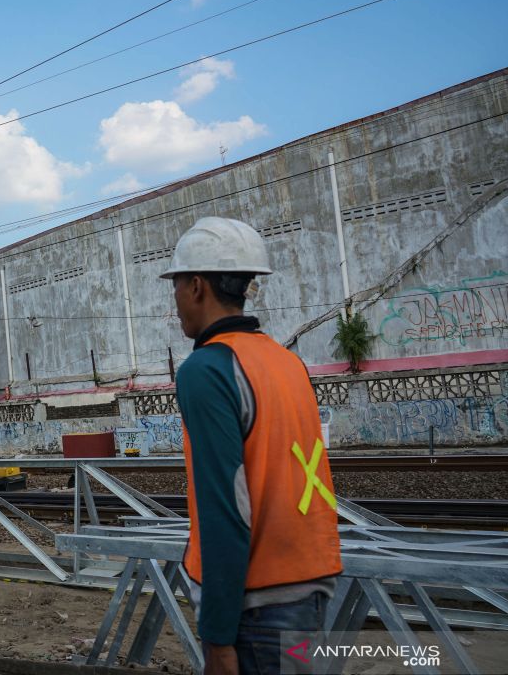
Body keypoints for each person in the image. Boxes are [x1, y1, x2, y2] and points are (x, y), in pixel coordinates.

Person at [161, 217, 342, 675]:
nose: (175, 299)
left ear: (197, 286)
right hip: (310, 587)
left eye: (177, 285)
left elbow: (226, 508)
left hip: (256, 610)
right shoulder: (286, 362)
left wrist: (219, 637)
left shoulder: (206, 370)